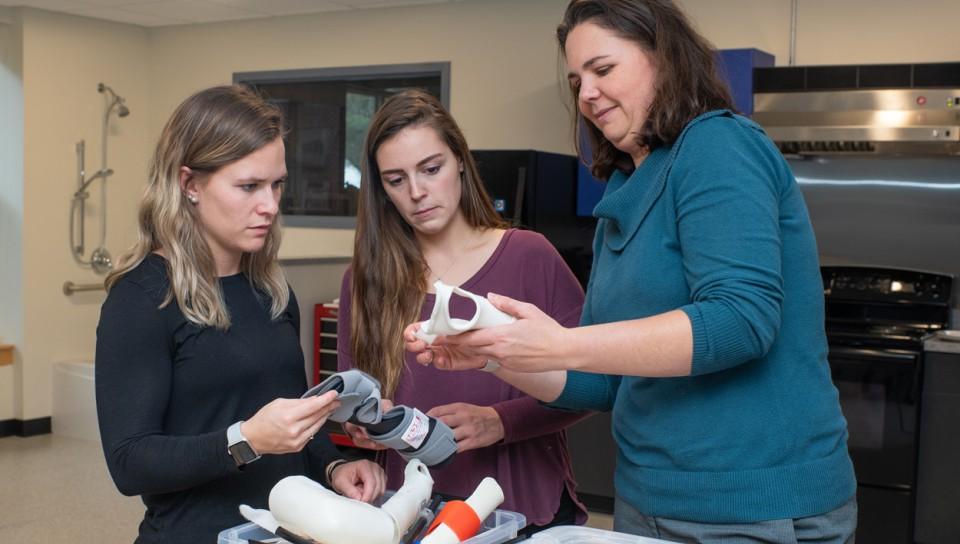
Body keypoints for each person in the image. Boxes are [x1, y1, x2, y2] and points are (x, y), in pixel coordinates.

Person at [405, 1, 858, 542]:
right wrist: (495, 354)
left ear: (662, 57)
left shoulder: (718, 146)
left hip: (753, 505)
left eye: (603, 69)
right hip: (650, 501)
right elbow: (601, 384)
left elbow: (740, 321)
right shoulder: (624, 190)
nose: (586, 94)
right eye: (576, 80)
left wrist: (559, 344)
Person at [95, 85, 385, 543]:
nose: (269, 205)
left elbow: (296, 423)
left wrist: (333, 465)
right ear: (190, 184)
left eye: (277, 184)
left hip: (285, 532)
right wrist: (244, 440)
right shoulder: (142, 300)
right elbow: (130, 464)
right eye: (248, 186)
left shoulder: (270, 290)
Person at [337, 89, 589, 534]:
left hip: (522, 509)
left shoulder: (529, 255)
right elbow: (354, 396)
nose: (417, 192)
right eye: (396, 180)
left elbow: (593, 385)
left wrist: (500, 422)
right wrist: (363, 426)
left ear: (459, 160)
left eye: (430, 169)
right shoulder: (365, 281)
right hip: (410, 513)